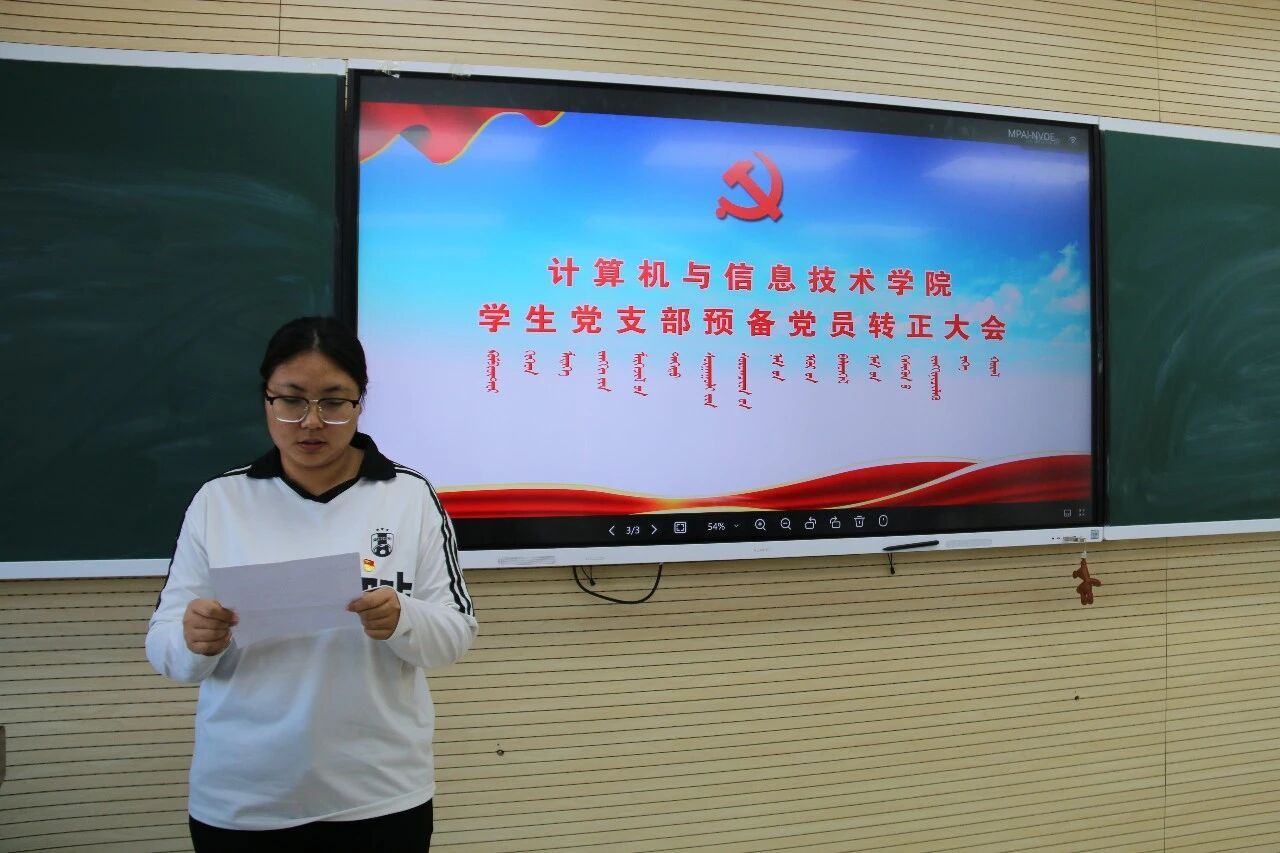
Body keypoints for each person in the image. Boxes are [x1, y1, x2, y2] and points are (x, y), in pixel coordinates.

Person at [145, 316, 476, 851]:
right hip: (243, 798)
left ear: (360, 402)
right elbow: (164, 647)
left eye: (334, 402)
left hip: (380, 792)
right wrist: (192, 639)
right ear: (266, 398)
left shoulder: (409, 496)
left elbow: (455, 634)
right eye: (291, 400)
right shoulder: (220, 502)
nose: (311, 422)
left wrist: (403, 619)